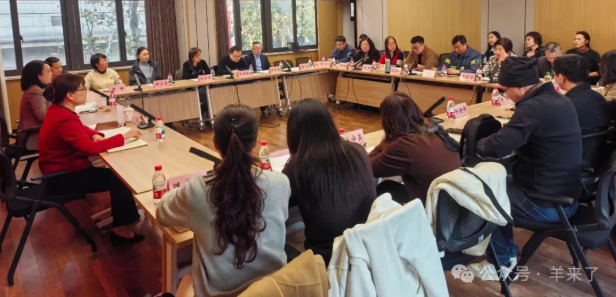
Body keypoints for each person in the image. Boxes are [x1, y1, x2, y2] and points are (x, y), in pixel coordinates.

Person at [157, 104, 290, 297]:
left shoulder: (197, 190)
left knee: (185, 281)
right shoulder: (281, 183)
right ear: (255, 142)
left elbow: (162, 214)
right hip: (272, 291)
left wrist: (179, 192)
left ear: (215, 143)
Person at [469, 57, 581, 280]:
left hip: (548, 203)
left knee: (481, 191)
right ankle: (505, 251)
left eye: (506, 89)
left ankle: (501, 262)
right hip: (567, 195)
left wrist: (477, 144)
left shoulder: (533, 108)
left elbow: (497, 146)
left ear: (520, 87)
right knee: (496, 181)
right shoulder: (560, 99)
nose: (505, 94)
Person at [38, 74, 144, 245]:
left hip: (61, 170)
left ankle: (129, 216)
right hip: (62, 177)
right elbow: (89, 148)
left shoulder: (59, 110)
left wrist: (94, 134)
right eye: (82, 89)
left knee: (115, 174)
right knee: (119, 179)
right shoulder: (64, 118)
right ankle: (120, 230)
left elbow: (80, 128)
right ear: (70, 95)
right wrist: (123, 137)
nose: (85, 92)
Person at [283, 99, 376, 265]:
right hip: (367, 246)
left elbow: (282, 200)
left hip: (327, 258)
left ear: (294, 134)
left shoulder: (297, 166)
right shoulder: (358, 150)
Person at [369, 93, 460, 205]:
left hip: (430, 207)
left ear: (386, 121)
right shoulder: (434, 129)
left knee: (384, 188)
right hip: (453, 202)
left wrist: (386, 139)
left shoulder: (403, 145)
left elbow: (368, 167)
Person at [553, 55, 608, 136]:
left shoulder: (564, 105)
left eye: (554, 75)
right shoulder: (599, 98)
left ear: (561, 77)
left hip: (572, 143)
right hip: (599, 144)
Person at [17, 60, 53, 150]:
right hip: (33, 136)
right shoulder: (35, 91)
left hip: (37, 132)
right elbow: (43, 116)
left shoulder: (36, 89)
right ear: (39, 75)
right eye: (48, 71)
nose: (51, 74)